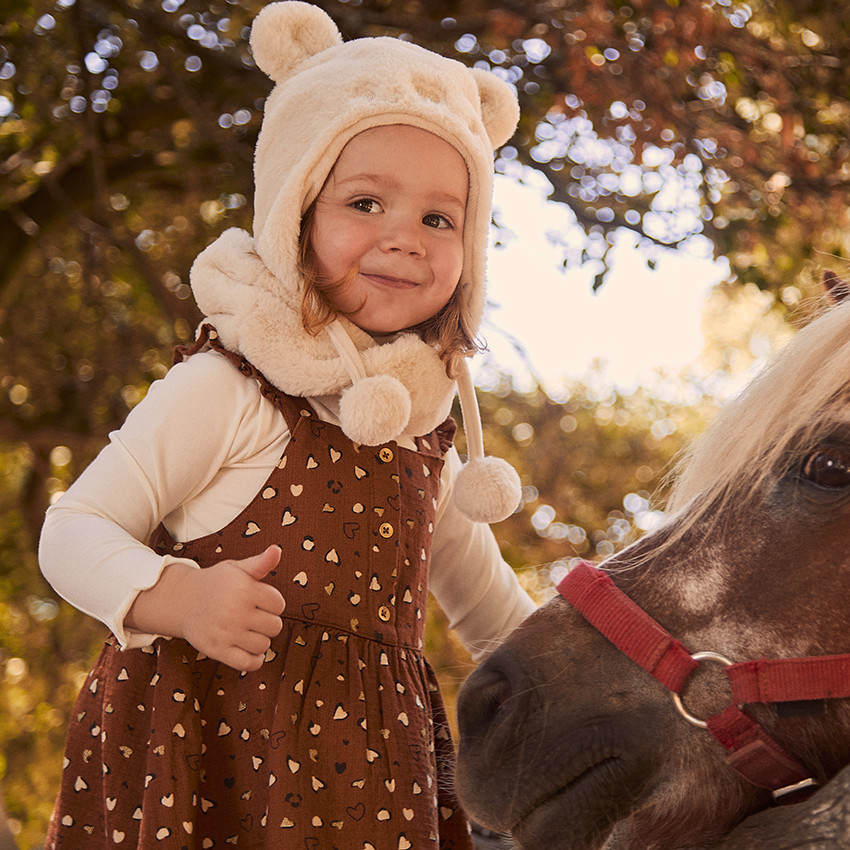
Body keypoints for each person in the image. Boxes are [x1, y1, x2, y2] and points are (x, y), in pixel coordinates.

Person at [38, 2, 537, 847]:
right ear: (294, 214)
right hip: (205, 769)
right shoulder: (227, 389)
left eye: (439, 218)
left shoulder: (425, 442)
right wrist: (181, 597)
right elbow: (73, 530)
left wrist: (615, 668)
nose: (406, 238)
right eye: (366, 201)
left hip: (372, 788)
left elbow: (499, 622)